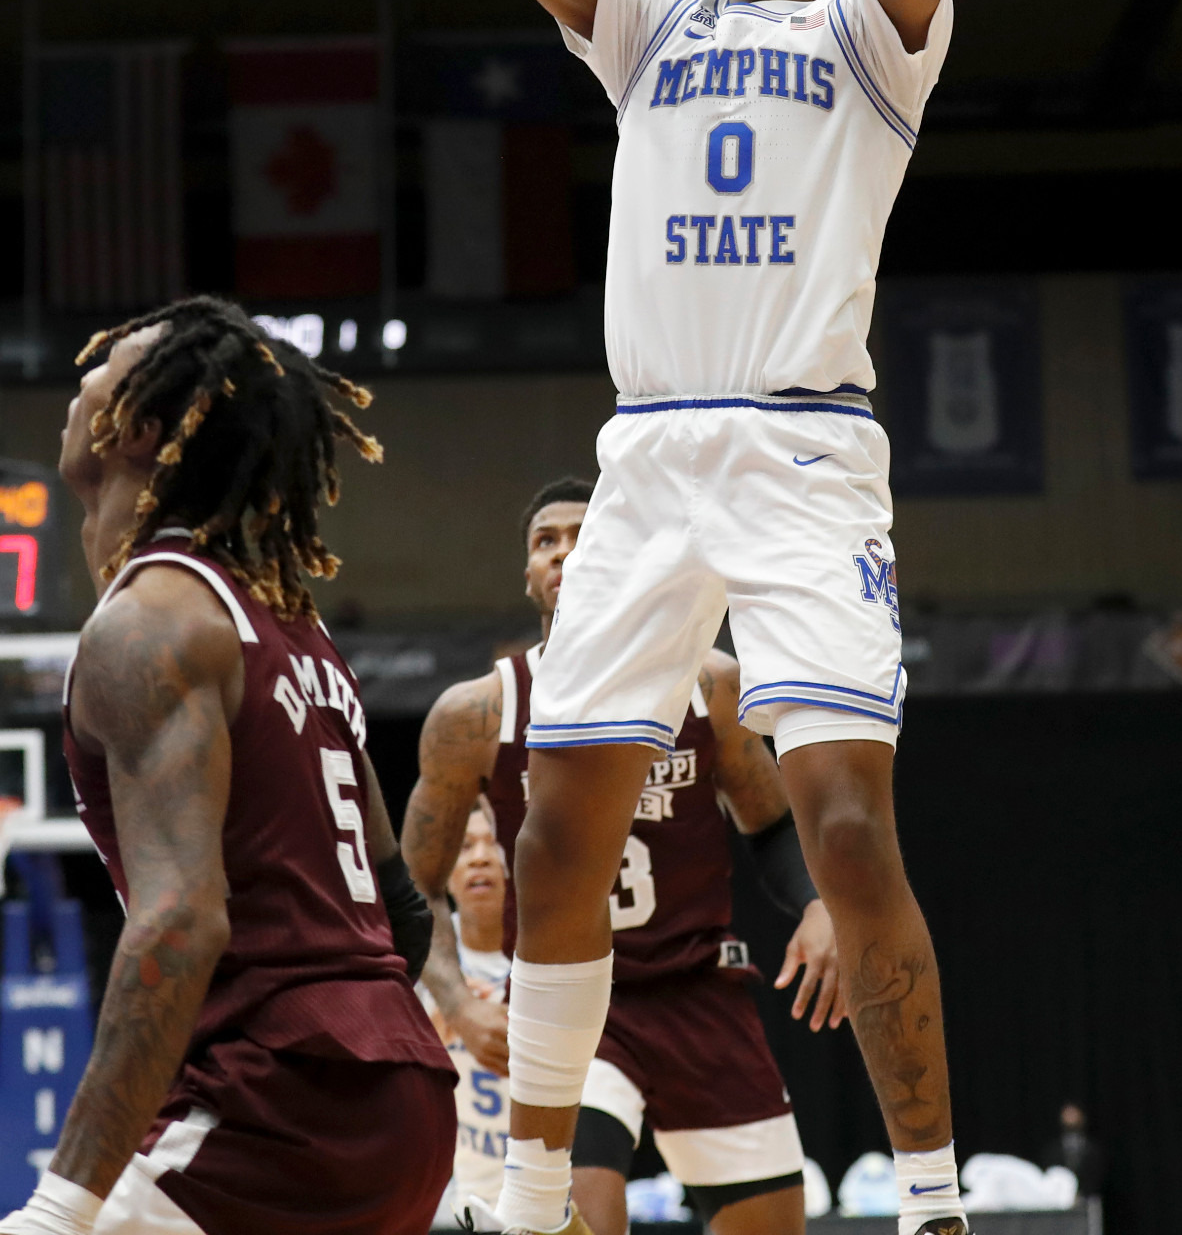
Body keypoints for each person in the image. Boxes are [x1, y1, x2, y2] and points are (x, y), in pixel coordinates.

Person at [461, 0, 964, 1235]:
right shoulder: (653, 19)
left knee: (841, 823)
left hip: (806, 449)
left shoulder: (875, 38)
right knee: (556, 832)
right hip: (652, 453)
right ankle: (529, 1186)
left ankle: (933, 1199)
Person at [0, 298, 455, 1235]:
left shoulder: (151, 625)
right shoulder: (290, 624)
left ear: (140, 428)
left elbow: (180, 921)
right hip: (395, 1093)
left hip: (277, 1104)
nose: (81, 376)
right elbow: (399, 912)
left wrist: (63, 1205)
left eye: (109, 362)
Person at [404, 478, 844, 1235]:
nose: (565, 552)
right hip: (571, 997)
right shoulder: (478, 713)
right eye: (546, 541)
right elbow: (412, 886)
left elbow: (771, 824)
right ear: (529, 574)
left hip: (696, 989)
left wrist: (816, 904)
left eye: (584, 534)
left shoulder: (710, 685)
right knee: (577, 1218)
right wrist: (451, 1000)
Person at [422, 804, 514, 1220]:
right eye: (463, 846)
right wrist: (428, 1037)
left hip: (553, 1179)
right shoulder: (424, 953)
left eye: (493, 843)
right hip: (451, 1192)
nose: (480, 856)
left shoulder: (556, 946)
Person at [1041, 1104, 1105, 1200]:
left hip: (1087, 1199)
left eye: (1073, 1114)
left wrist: (1082, 1194)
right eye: (1068, 1114)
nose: (1070, 1118)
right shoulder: (1053, 1150)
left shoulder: (1092, 1150)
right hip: (1059, 1201)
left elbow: (1096, 1175)